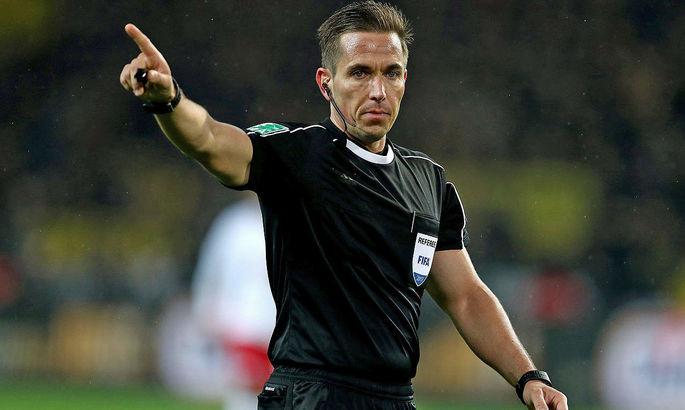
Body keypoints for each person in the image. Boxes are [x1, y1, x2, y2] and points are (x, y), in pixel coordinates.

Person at [119, 1, 569, 409]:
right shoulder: (296, 156)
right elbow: (210, 139)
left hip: (395, 399)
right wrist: (169, 101)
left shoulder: (429, 182)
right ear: (326, 83)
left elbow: (465, 296)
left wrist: (528, 377)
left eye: (391, 73)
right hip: (310, 396)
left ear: (405, 80)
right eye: (360, 73)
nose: (378, 90)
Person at [191, 195, 275, 409]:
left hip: (278, 330)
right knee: (242, 399)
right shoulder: (231, 225)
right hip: (240, 327)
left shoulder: (290, 220)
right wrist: (205, 313)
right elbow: (211, 273)